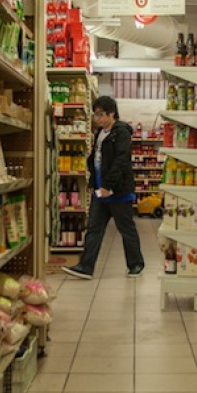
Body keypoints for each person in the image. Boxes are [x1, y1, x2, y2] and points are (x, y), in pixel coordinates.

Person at [63, 96, 144, 279]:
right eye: (96, 114)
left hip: (119, 192)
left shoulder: (121, 133)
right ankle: (85, 266)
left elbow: (121, 160)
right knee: (93, 229)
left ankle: (136, 264)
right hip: (100, 192)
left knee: (126, 229)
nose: (97, 118)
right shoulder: (100, 133)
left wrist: (108, 185)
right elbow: (95, 160)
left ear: (112, 113)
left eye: (100, 114)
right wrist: (93, 183)